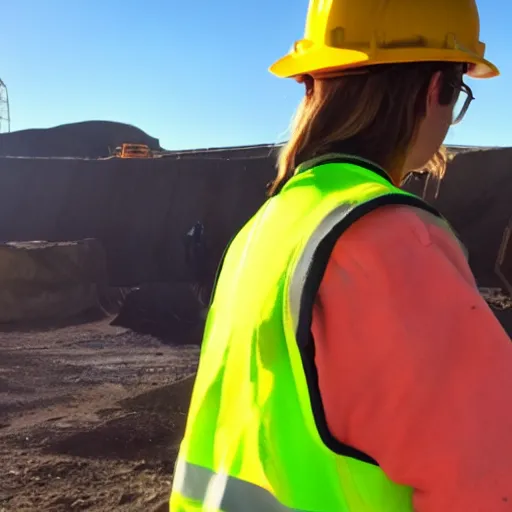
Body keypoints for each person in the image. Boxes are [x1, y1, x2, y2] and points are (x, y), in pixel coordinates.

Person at [170, 1, 512, 510]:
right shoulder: (390, 238)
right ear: (434, 87)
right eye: (460, 89)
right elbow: (487, 479)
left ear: (315, 85)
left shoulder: (265, 229)